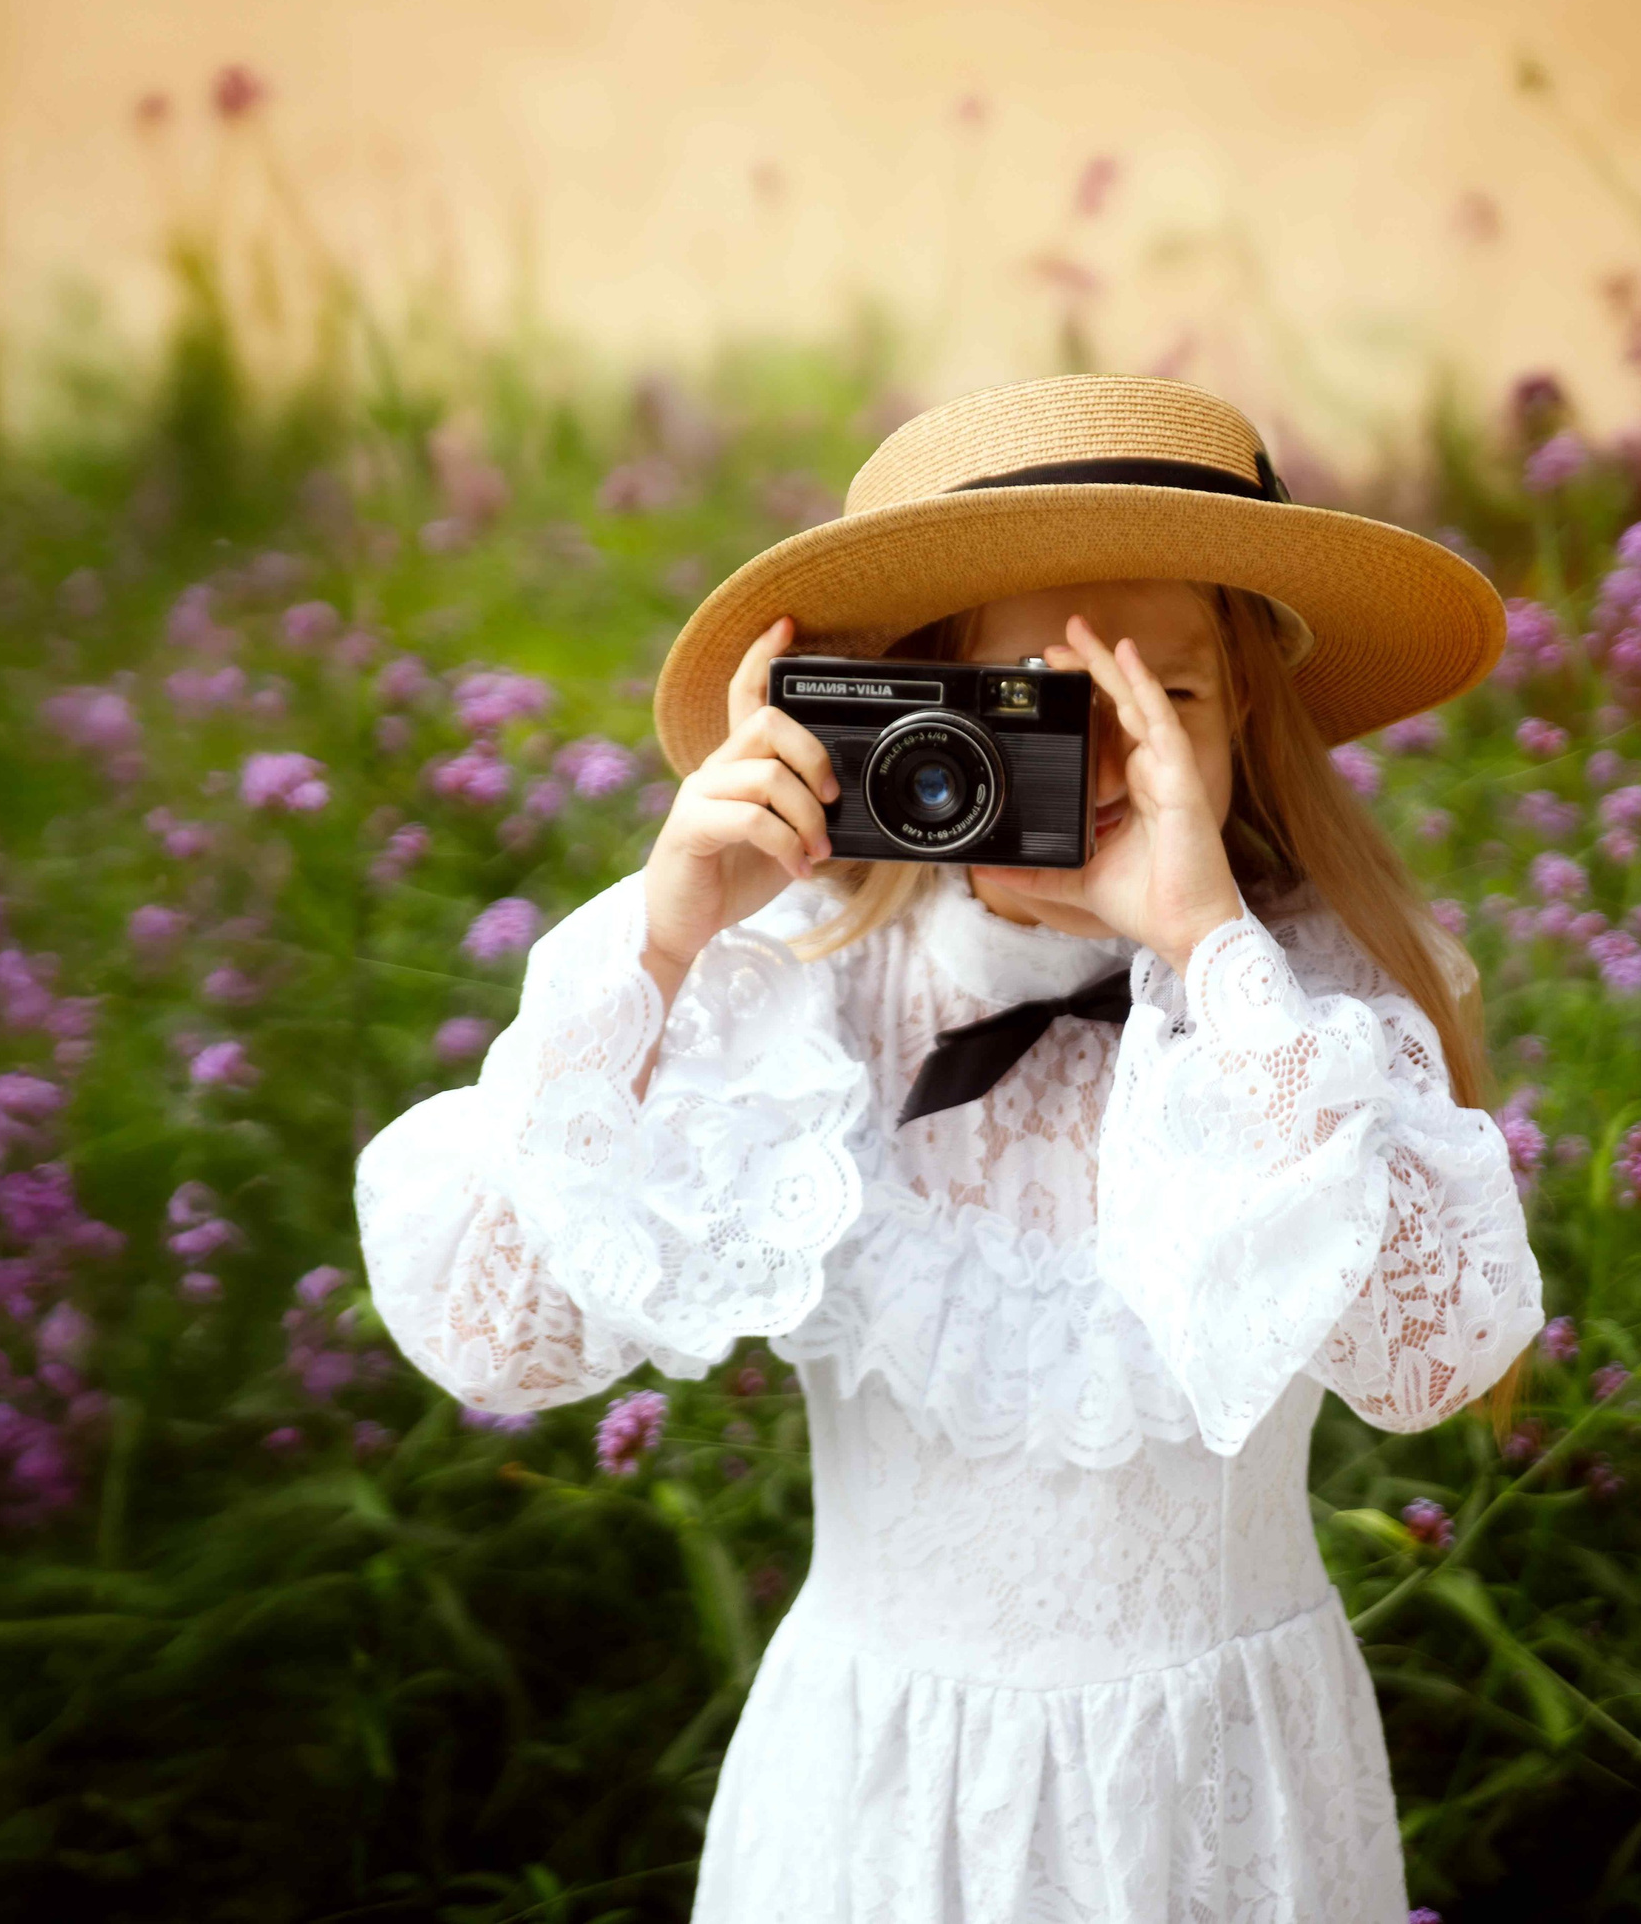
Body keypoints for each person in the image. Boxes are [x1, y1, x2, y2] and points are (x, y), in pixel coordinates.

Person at [356, 372, 1547, 1923]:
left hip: (1214, 1804)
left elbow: (1433, 1366)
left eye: (1164, 698)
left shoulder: (1310, 1012)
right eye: (1044, 703)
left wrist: (1209, 954)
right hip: (877, 1797)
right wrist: (665, 942)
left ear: (1248, 715)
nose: (1110, 759)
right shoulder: (789, 994)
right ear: (918, 705)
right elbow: (497, 1337)